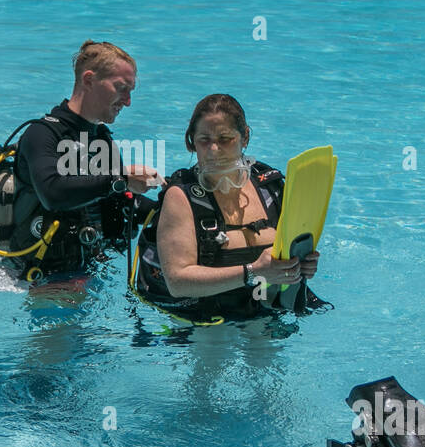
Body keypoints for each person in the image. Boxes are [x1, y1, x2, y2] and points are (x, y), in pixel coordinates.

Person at [0, 41, 160, 282]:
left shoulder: (101, 140)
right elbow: (53, 194)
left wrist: (172, 205)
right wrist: (121, 180)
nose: (127, 101)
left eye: (130, 92)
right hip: (34, 277)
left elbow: (119, 201)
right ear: (89, 79)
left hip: (84, 271)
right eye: (121, 88)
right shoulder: (41, 135)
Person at [133, 94, 320, 322]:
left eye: (225, 139)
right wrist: (253, 271)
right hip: (205, 323)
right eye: (204, 140)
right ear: (191, 142)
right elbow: (178, 283)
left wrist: (301, 265)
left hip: (265, 311)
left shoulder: (270, 189)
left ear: (245, 138)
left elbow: (290, 252)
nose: (213, 149)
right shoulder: (181, 197)